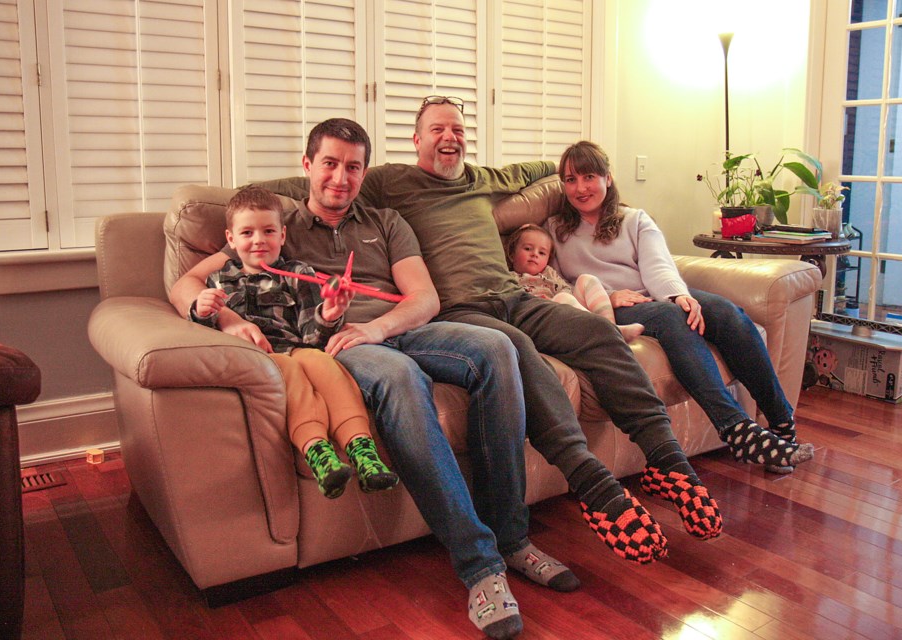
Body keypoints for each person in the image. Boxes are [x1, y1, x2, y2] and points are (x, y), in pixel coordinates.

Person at [255, 96, 723, 560]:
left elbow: (537, 171)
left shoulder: (482, 179)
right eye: (437, 130)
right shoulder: (389, 183)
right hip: (461, 311)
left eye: (457, 130)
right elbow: (315, 183)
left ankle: (669, 462)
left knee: (597, 333)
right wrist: (238, 203)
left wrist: (577, 167)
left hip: (517, 296)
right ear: (416, 140)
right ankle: (589, 482)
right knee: (512, 346)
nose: (449, 137)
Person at [171, 119, 579, 640]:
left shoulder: (388, 221)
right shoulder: (278, 226)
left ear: (365, 172)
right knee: (403, 378)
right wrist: (227, 318)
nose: (341, 177)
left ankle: (513, 539)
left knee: (497, 347)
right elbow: (188, 281)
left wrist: (379, 325)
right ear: (307, 167)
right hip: (340, 345)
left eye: (353, 166)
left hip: (399, 329)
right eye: (330, 164)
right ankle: (481, 567)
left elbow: (425, 299)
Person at [548, 140, 815, 474]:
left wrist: (678, 296)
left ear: (608, 178)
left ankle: (781, 423)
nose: (580, 187)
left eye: (589, 176)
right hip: (611, 306)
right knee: (671, 316)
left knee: (727, 314)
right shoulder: (556, 229)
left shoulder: (634, 220)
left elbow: (658, 265)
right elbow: (551, 281)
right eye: (570, 180)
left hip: (655, 292)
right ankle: (735, 427)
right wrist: (605, 295)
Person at [189, 186, 398, 498]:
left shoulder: (298, 273)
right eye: (247, 232)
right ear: (231, 239)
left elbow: (312, 337)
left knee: (323, 363)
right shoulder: (219, 279)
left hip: (297, 348)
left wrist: (329, 314)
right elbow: (204, 328)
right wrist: (201, 308)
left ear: (282, 235)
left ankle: (363, 452)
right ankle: (319, 454)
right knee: (289, 371)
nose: (259, 240)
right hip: (257, 358)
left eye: (268, 231)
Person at [505, 223, 644, 342]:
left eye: (542, 253)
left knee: (586, 279)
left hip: (568, 312)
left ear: (548, 259)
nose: (534, 254)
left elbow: (565, 289)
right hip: (545, 320)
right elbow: (512, 302)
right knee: (562, 298)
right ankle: (609, 332)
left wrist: (557, 300)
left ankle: (611, 327)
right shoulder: (510, 277)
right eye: (528, 249)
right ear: (512, 254)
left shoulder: (549, 273)